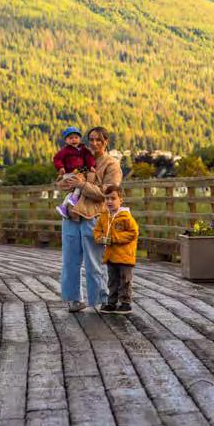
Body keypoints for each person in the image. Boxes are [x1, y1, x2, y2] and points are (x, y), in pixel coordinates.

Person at [58, 126, 121, 312]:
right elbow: (62, 184)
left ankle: (100, 299)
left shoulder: (111, 164)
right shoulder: (79, 157)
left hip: (94, 216)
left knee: (94, 261)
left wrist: (82, 184)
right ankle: (73, 300)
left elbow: (107, 193)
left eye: (98, 140)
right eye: (91, 139)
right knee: (69, 261)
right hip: (71, 215)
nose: (94, 143)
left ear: (106, 142)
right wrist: (64, 179)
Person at [94, 185, 139, 313]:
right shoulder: (104, 216)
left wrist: (114, 238)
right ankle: (111, 302)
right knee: (112, 280)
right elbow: (97, 230)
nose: (109, 201)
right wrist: (100, 238)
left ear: (121, 200)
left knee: (125, 280)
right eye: (107, 198)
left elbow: (133, 233)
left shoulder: (125, 216)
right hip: (111, 255)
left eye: (113, 198)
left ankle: (125, 303)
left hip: (125, 256)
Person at [53, 127, 96, 219]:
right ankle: (74, 198)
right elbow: (57, 159)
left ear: (80, 139)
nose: (74, 140)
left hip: (79, 171)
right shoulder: (65, 151)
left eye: (76, 137)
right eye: (71, 138)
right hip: (69, 173)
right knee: (80, 181)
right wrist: (60, 167)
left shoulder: (84, 149)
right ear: (66, 140)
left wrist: (91, 166)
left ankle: (63, 206)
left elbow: (89, 157)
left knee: (75, 189)